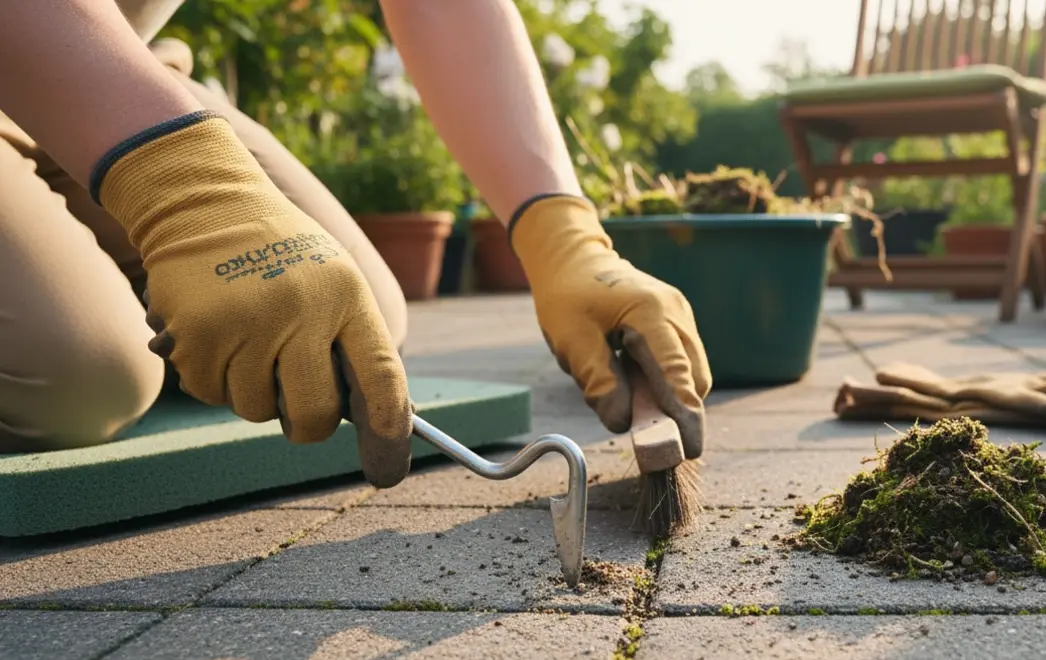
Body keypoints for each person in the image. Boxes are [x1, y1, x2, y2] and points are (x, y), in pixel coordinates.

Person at [0, 0, 712, 488]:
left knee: (353, 310)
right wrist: (182, 186)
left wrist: (561, 234)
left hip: (115, 64)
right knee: (83, 376)